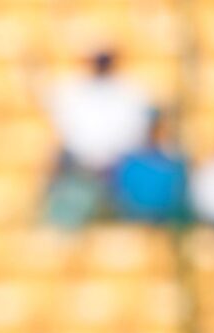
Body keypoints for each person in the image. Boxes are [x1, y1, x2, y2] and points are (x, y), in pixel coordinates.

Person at [42, 50, 154, 228]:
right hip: (79, 168)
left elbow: (137, 134)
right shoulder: (72, 89)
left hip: (118, 169)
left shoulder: (131, 91)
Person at [110, 109, 190, 224]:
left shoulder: (176, 164)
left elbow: (178, 199)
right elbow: (120, 197)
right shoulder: (130, 162)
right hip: (133, 221)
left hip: (164, 223)